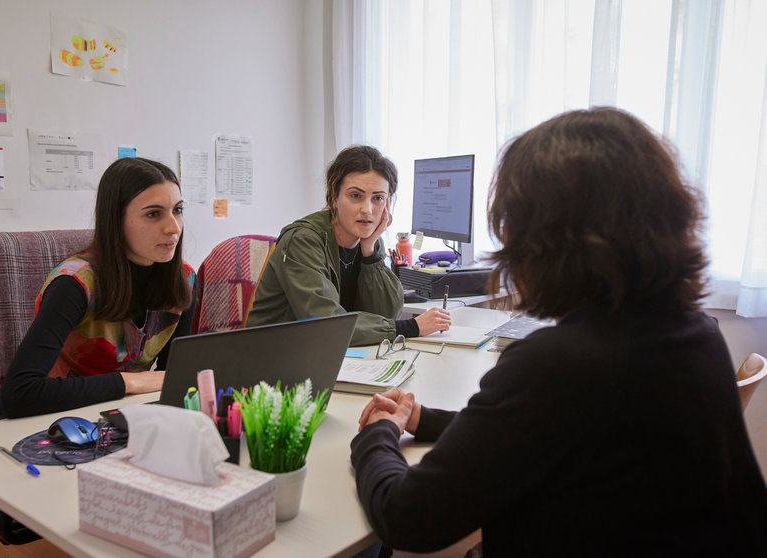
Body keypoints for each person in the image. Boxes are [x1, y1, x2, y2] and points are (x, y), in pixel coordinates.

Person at [350, 108, 767, 555]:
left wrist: (377, 433)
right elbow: (541, 431)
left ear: (542, 238)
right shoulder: (696, 335)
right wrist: (422, 419)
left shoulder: (559, 364)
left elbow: (407, 519)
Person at [1, 157, 196, 418]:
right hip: (61, 419)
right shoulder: (74, 283)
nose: (173, 227)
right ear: (115, 219)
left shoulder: (184, 278)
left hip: (130, 417)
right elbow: (19, 394)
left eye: (178, 210)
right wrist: (130, 382)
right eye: (153, 214)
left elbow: (172, 376)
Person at [246, 145, 450, 346]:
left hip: (325, 354)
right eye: (355, 196)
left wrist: (370, 255)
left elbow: (386, 314)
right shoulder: (303, 240)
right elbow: (327, 323)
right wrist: (411, 327)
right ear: (334, 197)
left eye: (378, 198)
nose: (367, 210)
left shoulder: (369, 242)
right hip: (273, 359)